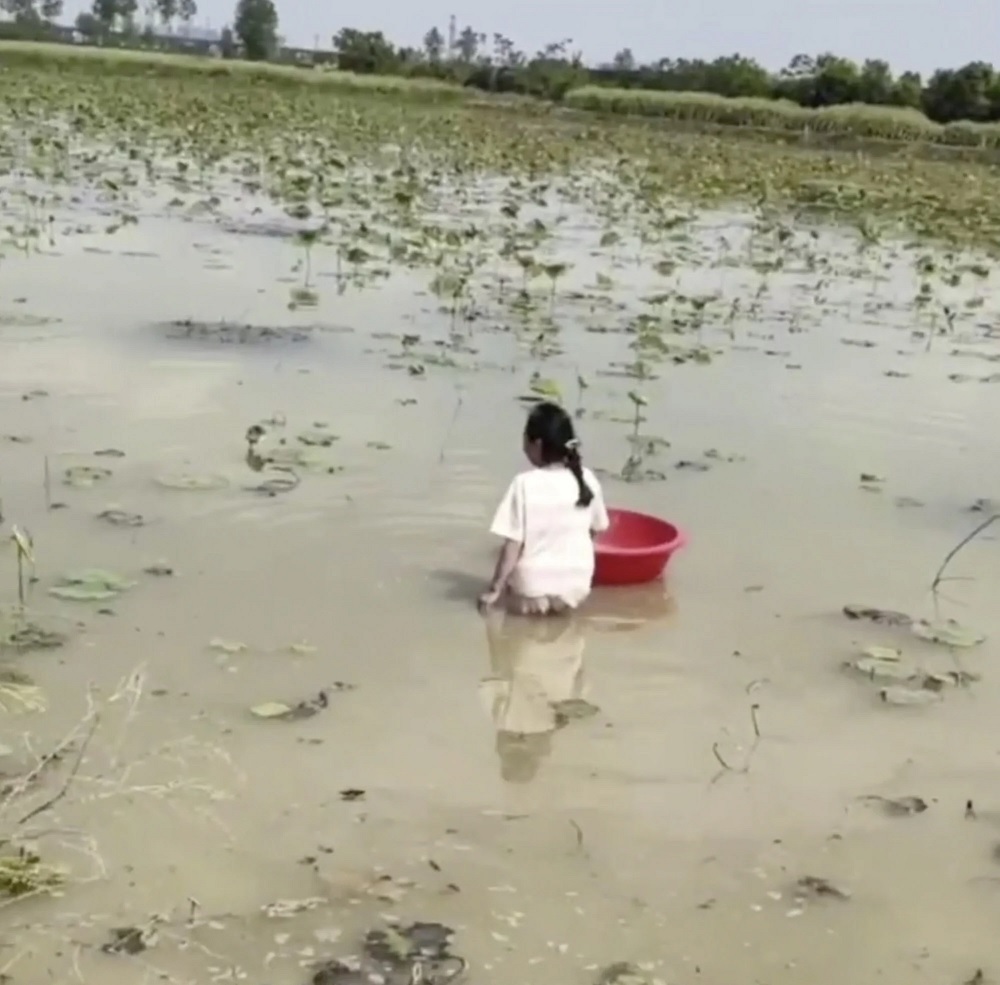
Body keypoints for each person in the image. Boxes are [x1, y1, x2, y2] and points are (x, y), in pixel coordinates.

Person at [479, 401, 610, 615]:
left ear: (537, 444)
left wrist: (494, 589)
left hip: (532, 590)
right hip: (576, 588)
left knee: (511, 628)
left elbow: (513, 546)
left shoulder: (523, 484)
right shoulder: (587, 479)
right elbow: (594, 530)